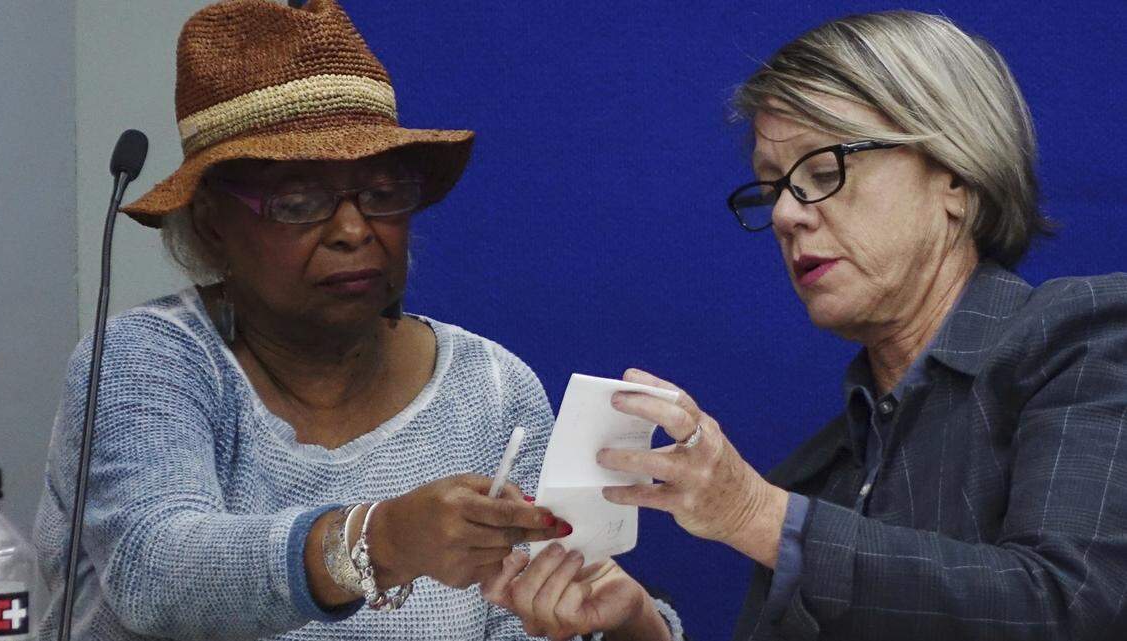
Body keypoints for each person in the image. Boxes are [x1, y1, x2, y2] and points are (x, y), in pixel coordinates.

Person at [482, 10, 1127, 641]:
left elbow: (1074, 608)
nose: (789, 215)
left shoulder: (1083, 339)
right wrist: (637, 629)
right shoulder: (823, 474)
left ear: (954, 175)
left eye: (823, 174)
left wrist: (753, 513)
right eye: (773, 190)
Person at [34, 1, 579, 639]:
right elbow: (158, 571)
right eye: (299, 201)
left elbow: (525, 621)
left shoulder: (493, 389)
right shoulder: (147, 357)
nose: (353, 230)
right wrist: (377, 539)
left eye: (381, 195)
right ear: (212, 223)